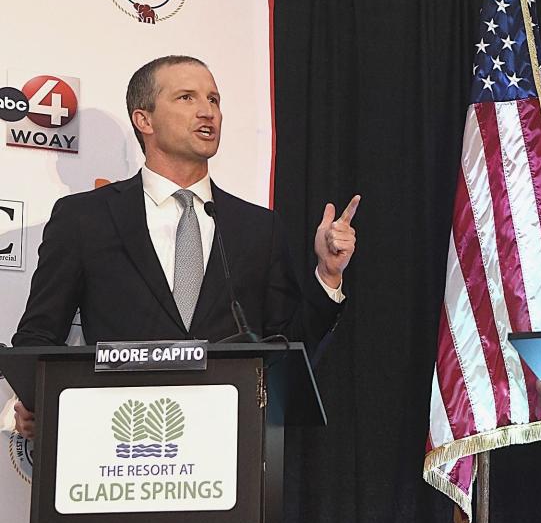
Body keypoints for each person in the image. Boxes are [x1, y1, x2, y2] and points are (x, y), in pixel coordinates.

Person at [11, 55, 360, 441]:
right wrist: (40, 401)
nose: (207, 111)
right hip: (114, 445)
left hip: (226, 448)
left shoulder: (259, 228)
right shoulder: (84, 218)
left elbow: (288, 349)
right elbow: (38, 337)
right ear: (144, 120)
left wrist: (327, 275)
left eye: (213, 99)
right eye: (186, 98)